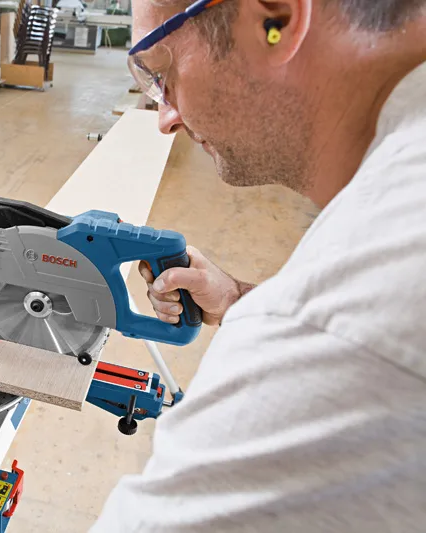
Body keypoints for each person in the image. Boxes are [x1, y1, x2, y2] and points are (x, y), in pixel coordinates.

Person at [91, 0, 426, 531]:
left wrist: (278, 316)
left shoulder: (338, 323)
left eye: (161, 74)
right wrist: (238, 299)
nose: (165, 118)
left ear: (276, 19)